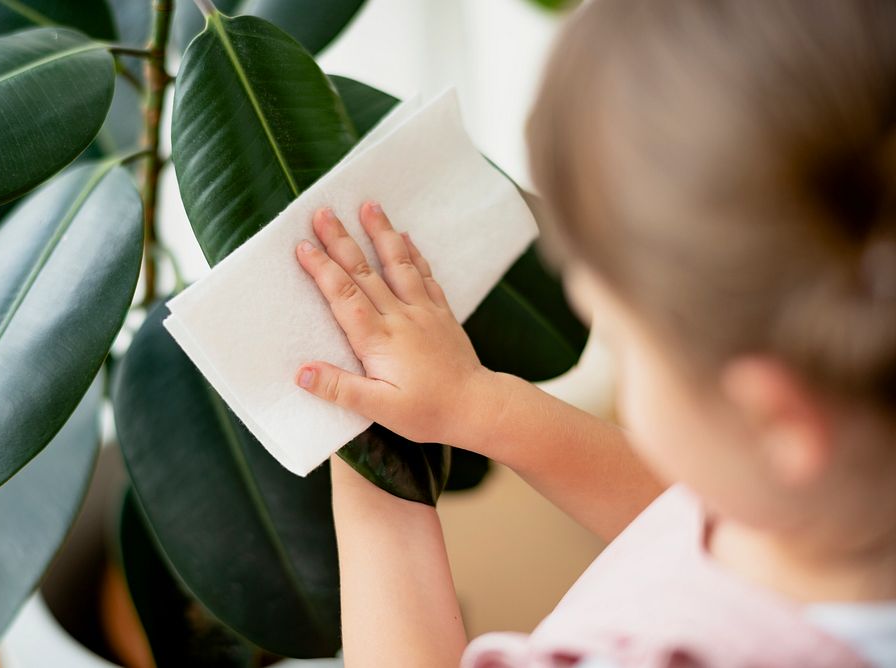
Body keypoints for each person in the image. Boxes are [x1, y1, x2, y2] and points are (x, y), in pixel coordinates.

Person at [290, 0, 896, 665]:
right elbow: (679, 515)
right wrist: (475, 404)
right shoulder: (826, 515)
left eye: (627, 344)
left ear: (775, 418)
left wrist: (367, 470)